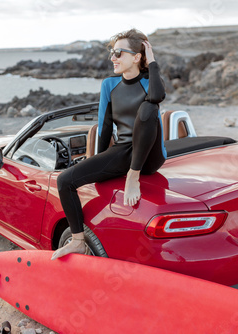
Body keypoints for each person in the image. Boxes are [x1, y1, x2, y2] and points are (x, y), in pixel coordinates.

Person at [51, 29, 166, 260]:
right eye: (112, 53)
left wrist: (151, 62)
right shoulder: (109, 85)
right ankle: (77, 241)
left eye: (118, 53)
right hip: (123, 150)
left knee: (148, 107)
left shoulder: (149, 83)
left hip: (149, 156)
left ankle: (133, 176)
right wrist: (98, 163)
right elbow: (104, 128)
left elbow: (157, 96)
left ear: (136, 57)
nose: (112, 58)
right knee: (64, 180)